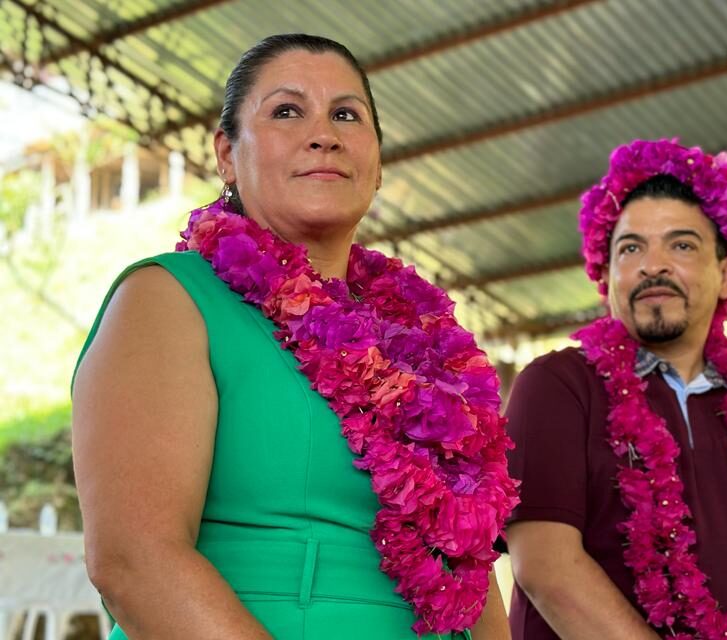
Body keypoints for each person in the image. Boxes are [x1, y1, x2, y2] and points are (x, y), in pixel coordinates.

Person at [71, 34, 517, 639]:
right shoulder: (168, 299)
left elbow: (470, 565)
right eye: (286, 111)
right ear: (227, 154)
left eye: (346, 114)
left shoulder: (425, 344)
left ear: (378, 162)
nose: (323, 134)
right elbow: (135, 563)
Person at [502, 139, 727, 639]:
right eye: (630, 248)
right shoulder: (557, 385)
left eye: (680, 245)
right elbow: (545, 569)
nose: (651, 265)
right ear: (606, 272)